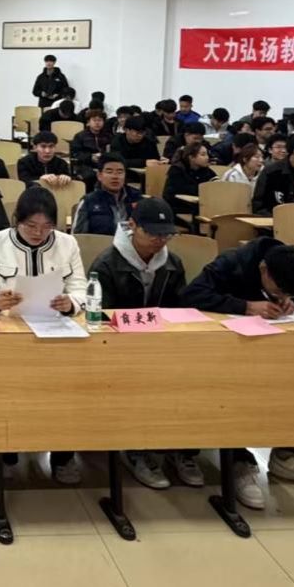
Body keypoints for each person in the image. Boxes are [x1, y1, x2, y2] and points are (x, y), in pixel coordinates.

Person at [181, 239, 294, 507]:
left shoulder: (288, 263)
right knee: (238, 390)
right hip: (226, 349)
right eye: (279, 290)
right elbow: (191, 295)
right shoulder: (231, 263)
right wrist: (245, 306)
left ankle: (289, 456)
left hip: (271, 342)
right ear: (263, 269)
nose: (281, 295)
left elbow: (287, 293)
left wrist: (287, 302)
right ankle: (239, 461)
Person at [0, 187, 86, 484]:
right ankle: (7, 453)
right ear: (16, 220)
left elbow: (81, 289)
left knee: (67, 391)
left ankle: (63, 455)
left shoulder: (68, 244)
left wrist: (71, 303)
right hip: (10, 331)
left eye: (47, 227)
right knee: (7, 390)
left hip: (56, 329)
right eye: (31, 226)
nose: (38, 233)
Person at [90, 200, 194, 488]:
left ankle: (181, 448)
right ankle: (136, 449)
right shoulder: (107, 264)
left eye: (166, 234)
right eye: (152, 234)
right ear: (133, 226)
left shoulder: (172, 263)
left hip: (162, 344)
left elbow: (180, 309)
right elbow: (100, 317)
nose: (160, 241)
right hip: (121, 349)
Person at [72, 154, 141, 236]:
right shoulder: (89, 201)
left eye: (120, 172)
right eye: (109, 172)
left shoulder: (137, 198)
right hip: (100, 243)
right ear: (99, 175)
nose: (115, 176)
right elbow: (78, 237)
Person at [162, 142, 216, 228]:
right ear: (191, 157)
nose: (207, 157)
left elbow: (215, 183)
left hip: (200, 207)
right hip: (179, 210)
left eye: (207, 154)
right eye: (203, 155)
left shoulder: (206, 170)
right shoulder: (177, 170)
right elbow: (170, 196)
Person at [70, 110, 111, 184]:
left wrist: (103, 155)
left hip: (104, 164)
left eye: (100, 120)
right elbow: (76, 153)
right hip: (85, 164)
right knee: (90, 175)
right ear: (88, 122)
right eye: (94, 120)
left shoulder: (108, 136)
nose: (97, 123)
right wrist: (90, 157)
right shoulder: (80, 136)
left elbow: (112, 151)